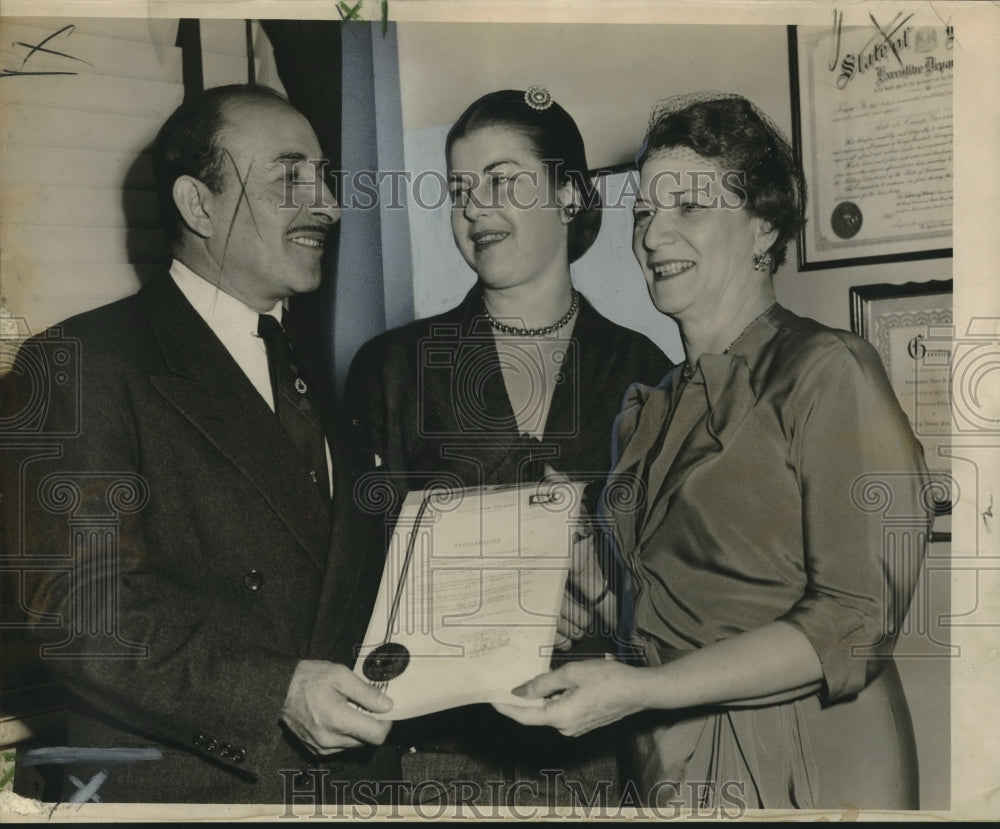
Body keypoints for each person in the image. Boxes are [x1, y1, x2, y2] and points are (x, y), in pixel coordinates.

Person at [493, 93, 933, 810]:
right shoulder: (650, 409)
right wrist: (579, 595)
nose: (653, 236)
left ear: (762, 226)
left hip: (807, 762)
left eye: (687, 208)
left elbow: (855, 619)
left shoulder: (829, 371)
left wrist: (644, 688)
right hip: (671, 761)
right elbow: (685, 606)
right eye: (643, 214)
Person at [0, 84, 398, 804]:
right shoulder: (79, 363)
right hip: (195, 791)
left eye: (325, 177)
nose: (330, 205)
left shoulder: (307, 369)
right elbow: (86, 616)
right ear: (199, 205)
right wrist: (274, 690)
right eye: (290, 177)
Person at [345, 88, 670, 804]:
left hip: (596, 753)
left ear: (568, 194)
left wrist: (605, 598)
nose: (474, 208)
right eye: (460, 189)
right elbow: (350, 576)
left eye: (501, 181)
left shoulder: (645, 371)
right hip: (437, 758)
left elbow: (678, 587)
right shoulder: (392, 368)